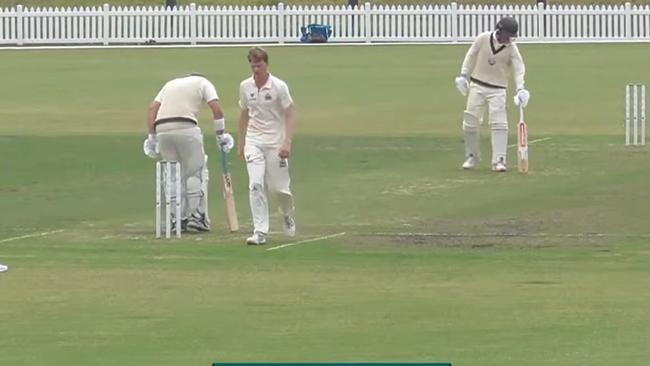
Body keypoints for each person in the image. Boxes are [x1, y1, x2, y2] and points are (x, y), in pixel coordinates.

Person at [144, 73, 234, 232]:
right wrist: (221, 135)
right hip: (186, 126)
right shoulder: (204, 82)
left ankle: (177, 219)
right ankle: (196, 217)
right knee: (194, 172)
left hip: (162, 129)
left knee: (173, 174)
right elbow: (217, 109)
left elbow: (152, 109)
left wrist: (152, 138)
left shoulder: (170, 83)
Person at [454, 16, 530, 172]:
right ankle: (471, 156)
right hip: (477, 85)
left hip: (498, 89)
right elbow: (470, 56)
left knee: (499, 124)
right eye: (508, 34)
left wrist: (520, 89)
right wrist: (463, 75)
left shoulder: (511, 49)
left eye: (512, 36)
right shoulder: (482, 38)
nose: (510, 38)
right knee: (470, 122)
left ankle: (499, 160)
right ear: (500, 30)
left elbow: (519, 68)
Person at [238, 47, 297, 245]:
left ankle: (287, 215)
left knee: (280, 190)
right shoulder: (245, 86)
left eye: (259, 65)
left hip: (276, 143)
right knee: (255, 185)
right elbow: (244, 114)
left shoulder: (279, 86)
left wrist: (287, 142)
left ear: (266, 64)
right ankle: (260, 231)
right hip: (254, 141)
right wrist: (242, 143)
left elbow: (290, 113)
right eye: (253, 65)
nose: (256, 69)